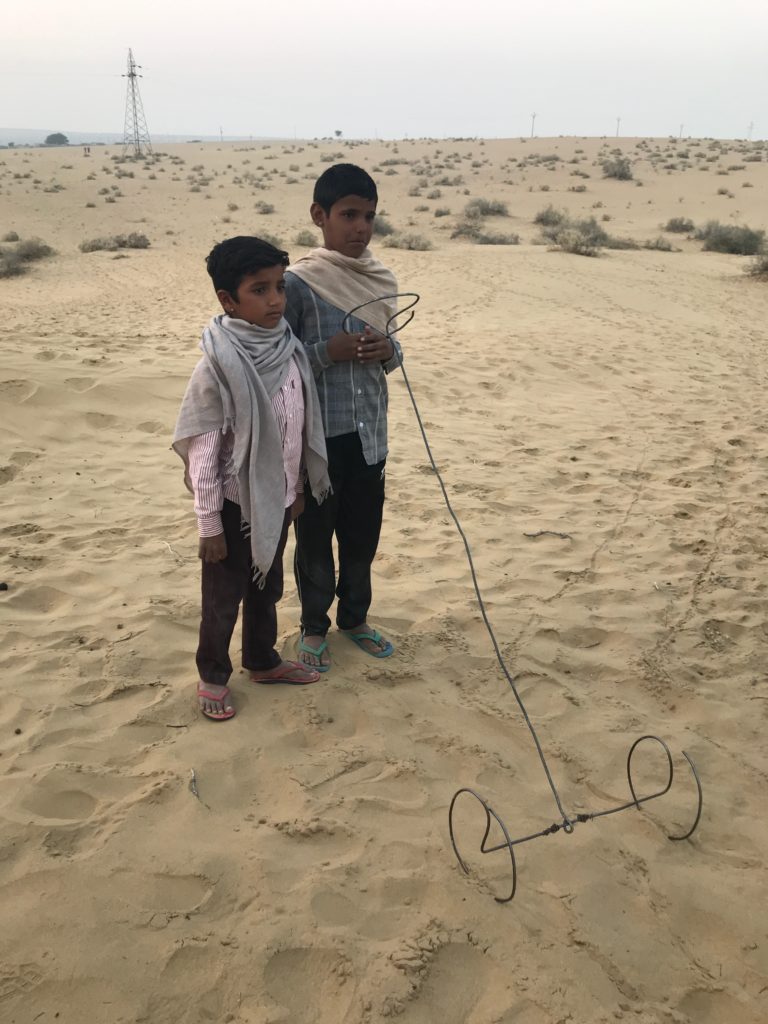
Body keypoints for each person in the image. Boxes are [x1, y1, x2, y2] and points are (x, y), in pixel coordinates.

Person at [173, 236, 331, 720]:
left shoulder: (289, 349)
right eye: (259, 290)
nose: (276, 300)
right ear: (228, 299)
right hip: (231, 503)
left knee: (268, 586)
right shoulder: (217, 365)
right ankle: (213, 675)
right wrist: (209, 525)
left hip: (278, 496)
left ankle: (262, 660)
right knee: (223, 599)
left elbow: (299, 423)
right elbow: (204, 450)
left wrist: (299, 487)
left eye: (279, 287)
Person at [284, 163, 404, 673]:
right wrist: (326, 351)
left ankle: (355, 619)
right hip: (316, 442)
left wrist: (387, 349)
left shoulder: (381, 279)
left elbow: (395, 358)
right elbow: (278, 367)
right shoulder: (297, 284)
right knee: (314, 542)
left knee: (362, 538)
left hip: (369, 436)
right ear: (319, 216)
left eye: (369, 216)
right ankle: (315, 627)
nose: (360, 227)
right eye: (349, 214)